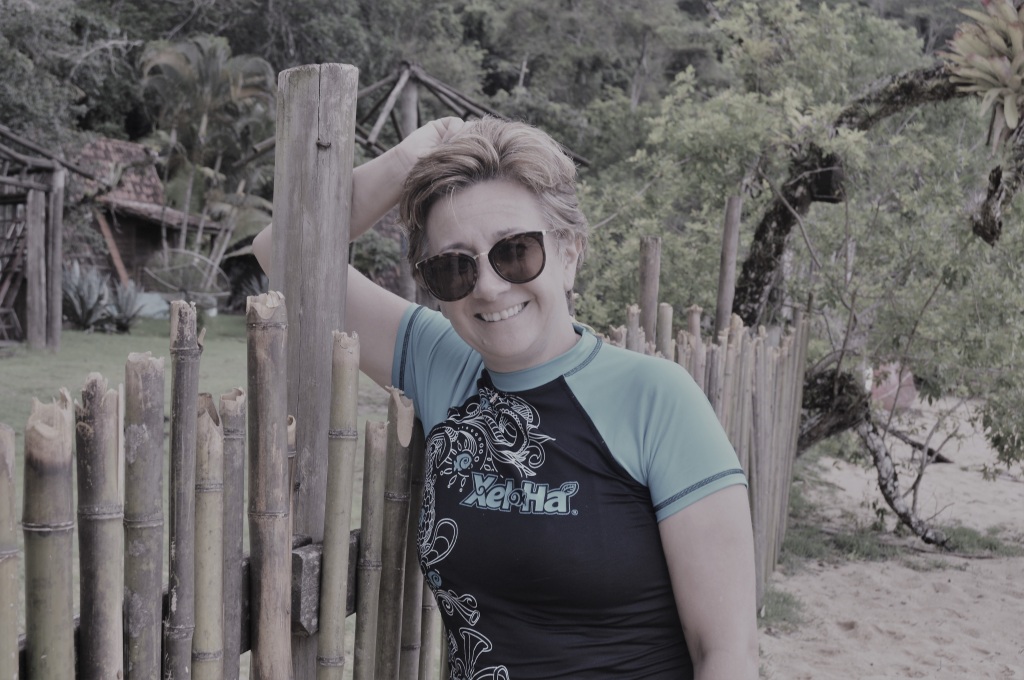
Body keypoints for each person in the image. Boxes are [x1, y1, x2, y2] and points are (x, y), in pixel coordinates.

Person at [253, 116, 758, 679]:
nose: (489, 287)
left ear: (569, 253)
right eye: (454, 267)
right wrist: (403, 165)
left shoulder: (656, 399)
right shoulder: (440, 363)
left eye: (515, 251)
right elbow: (282, 251)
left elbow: (726, 654)